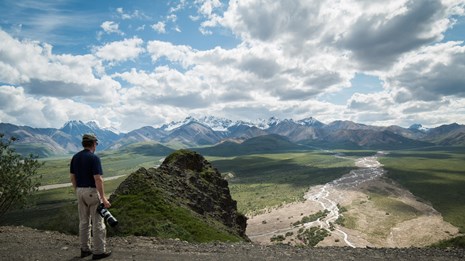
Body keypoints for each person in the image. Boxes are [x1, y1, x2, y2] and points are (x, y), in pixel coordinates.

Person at [70, 134, 112, 260]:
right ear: (93, 144)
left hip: (79, 191)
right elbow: (98, 179)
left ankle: (85, 249)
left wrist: (77, 190)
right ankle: (98, 252)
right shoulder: (94, 158)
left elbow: (72, 177)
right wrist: (103, 198)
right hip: (92, 192)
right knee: (98, 222)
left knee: (84, 222)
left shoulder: (75, 157)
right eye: (96, 144)